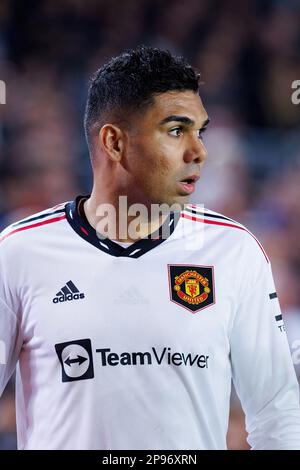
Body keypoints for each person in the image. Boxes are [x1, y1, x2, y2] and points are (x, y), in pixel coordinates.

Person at [0, 45, 300, 450]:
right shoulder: (20, 253)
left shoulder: (233, 251)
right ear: (114, 142)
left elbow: (276, 414)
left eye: (201, 131)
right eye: (177, 131)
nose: (199, 151)